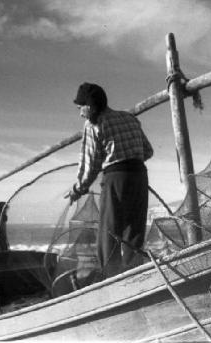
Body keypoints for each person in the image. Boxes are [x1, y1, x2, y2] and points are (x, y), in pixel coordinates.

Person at [67, 83, 153, 277]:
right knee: (134, 232)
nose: (80, 113)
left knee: (109, 234)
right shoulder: (129, 118)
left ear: (90, 106)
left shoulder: (93, 125)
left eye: (80, 107)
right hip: (139, 175)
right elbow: (148, 151)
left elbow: (89, 167)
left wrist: (77, 190)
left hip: (116, 179)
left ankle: (111, 279)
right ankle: (135, 276)